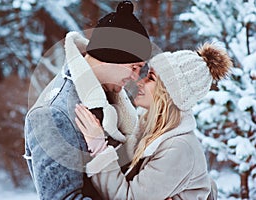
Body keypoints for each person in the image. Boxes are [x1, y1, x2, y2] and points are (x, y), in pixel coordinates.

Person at [23, 1, 152, 199]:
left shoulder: (111, 94)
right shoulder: (53, 113)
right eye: (133, 67)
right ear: (112, 56)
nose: (135, 77)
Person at [75, 42, 232, 199]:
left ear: (169, 93)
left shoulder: (178, 148)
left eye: (150, 78)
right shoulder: (149, 130)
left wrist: (99, 149)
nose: (139, 82)